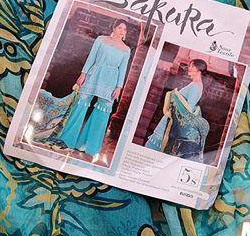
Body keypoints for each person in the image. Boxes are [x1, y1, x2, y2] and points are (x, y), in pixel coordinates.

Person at [56, 20, 131, 159]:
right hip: (94, 73)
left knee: (103, 112)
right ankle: (66, 140)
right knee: (81, 104)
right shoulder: (101, 40)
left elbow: (122, 69)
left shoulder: (126, 50)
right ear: (114, 28)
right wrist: (83, 74)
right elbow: (91, 58)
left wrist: (119, 87)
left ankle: (88, 146)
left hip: (111, 80)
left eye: (125, 29)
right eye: (120, 28)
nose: (122, 31)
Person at [145, 58, 209, 159]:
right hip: (171, 118)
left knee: (152, 148)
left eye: (192, 66)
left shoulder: (195, 86)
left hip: (172, 121)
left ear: (199, 69)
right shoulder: (195, 84)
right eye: (189, 65)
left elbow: (188, 110)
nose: (189, 68)